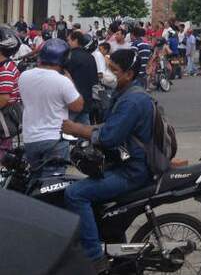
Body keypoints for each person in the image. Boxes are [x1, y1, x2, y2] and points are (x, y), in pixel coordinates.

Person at [62, 49, 154, 271]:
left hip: (131, 171)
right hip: (124, 164)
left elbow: (109, 137)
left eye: (114, 70)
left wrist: (78, 129)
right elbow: (111, 126)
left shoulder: (133, 100)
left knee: (75, 193)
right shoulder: (126, 94)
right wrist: (86, 128)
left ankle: (94, 258)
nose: (109, 74)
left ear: (129, 74)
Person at [18, 38, 84, 177]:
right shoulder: (62, 81)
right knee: (52, 186)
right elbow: (78, 106)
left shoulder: (24, 76)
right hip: (54, 140)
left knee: (34, 182)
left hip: (30, 138)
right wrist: (70, 79)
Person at [65, 31, 98, 125]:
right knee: (84, 130)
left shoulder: (70, 56)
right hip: (87, 99)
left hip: (73, 99)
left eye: (68, 40)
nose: (67, 43)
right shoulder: (90, 57)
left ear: (75, 40)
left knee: (65, 130)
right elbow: (94, 80)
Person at [0, 27, 23, 159]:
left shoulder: (5, 70)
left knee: (4, 154)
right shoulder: (5, 66)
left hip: (5, 119)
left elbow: (3, 99)